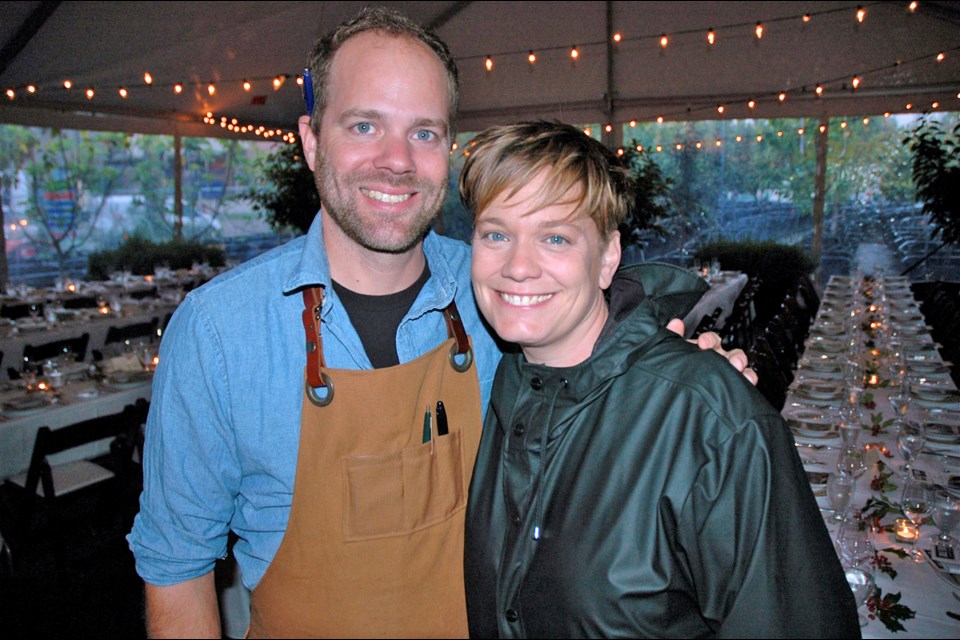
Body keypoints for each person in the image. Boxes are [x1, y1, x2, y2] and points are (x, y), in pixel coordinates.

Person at [128, 8, 752, 638]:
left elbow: (609, 357)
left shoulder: (503, 295)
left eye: (424, 133)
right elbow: (176, 570)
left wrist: (690, 381)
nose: (397, 160)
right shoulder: (217, 332)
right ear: (312, 141)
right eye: (365, 124)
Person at [461, 121, 860, 638]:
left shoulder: (711, 422)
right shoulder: (502, 383)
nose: (517, 266)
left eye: (555, 237)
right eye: (496, 234)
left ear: (607, 257)